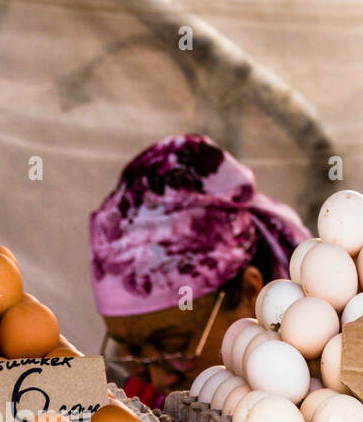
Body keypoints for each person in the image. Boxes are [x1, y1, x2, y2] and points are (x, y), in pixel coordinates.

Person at [89, 134, 310, 406]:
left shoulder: (316, 391)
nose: (158, 380)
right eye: (131, 351)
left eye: (175, 346)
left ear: (249, 293)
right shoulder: (138, 400)